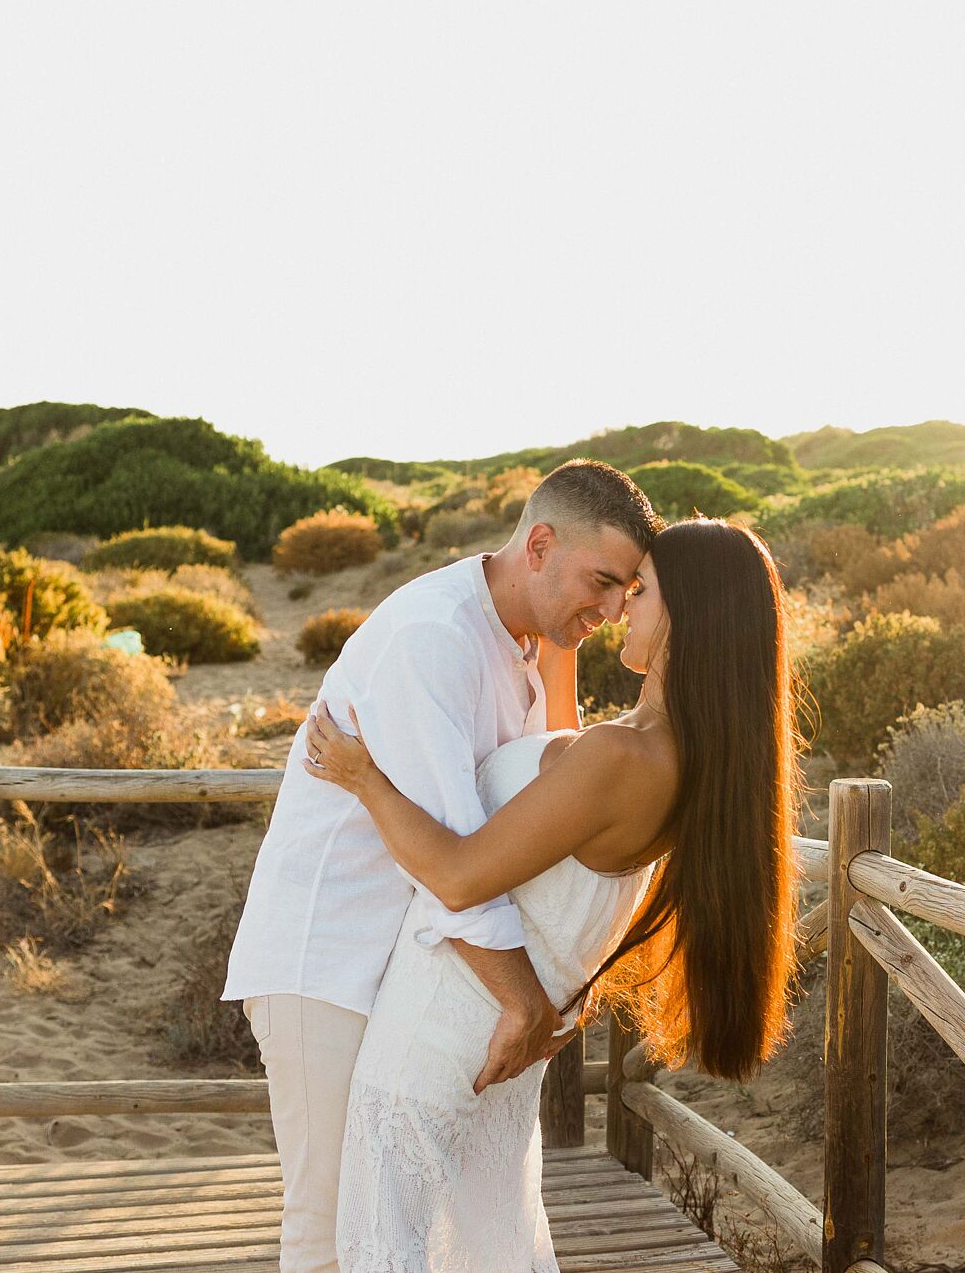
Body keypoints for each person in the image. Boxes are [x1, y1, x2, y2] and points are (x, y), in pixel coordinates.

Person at [301, 517, 801, 1273]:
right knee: (481, 1245)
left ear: (687, 615)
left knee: (385, 1247)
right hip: (497, 1042)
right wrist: (561, 638)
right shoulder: (671, 758)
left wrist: (363, 778)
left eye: (642, 591)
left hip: (437, 1038)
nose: (621, 608)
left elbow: (462, 873)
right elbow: (560, 818)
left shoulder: (622, 756)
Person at [221, 459, 660, 1273]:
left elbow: (549, 788)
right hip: (329, 960)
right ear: (537, 544)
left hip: (408, 966)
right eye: (600, 582)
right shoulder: (436, 638)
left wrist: (562, 645)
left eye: (626, 592)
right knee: (330, 1231)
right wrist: (525, 1000)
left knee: (403, 1230)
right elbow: (454, 861)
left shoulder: (519, 642)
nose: (608, 608)